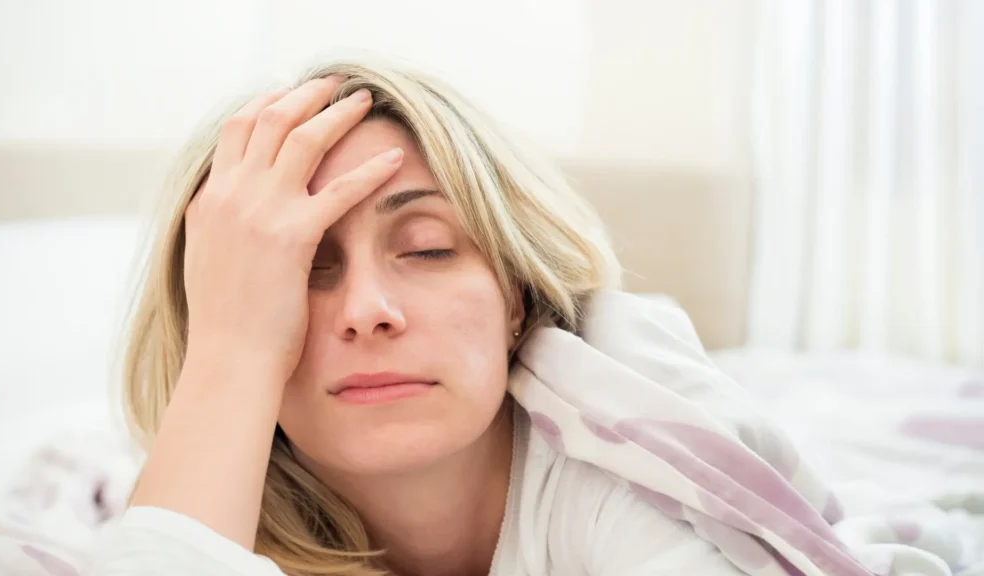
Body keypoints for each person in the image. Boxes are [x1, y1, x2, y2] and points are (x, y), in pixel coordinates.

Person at [89, 56, 743, 575]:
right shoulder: (197, 510)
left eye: (427, 248)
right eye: (304, 265)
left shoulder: (616, 465)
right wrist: (233, 351)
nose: (368, 310)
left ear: (515, 295)